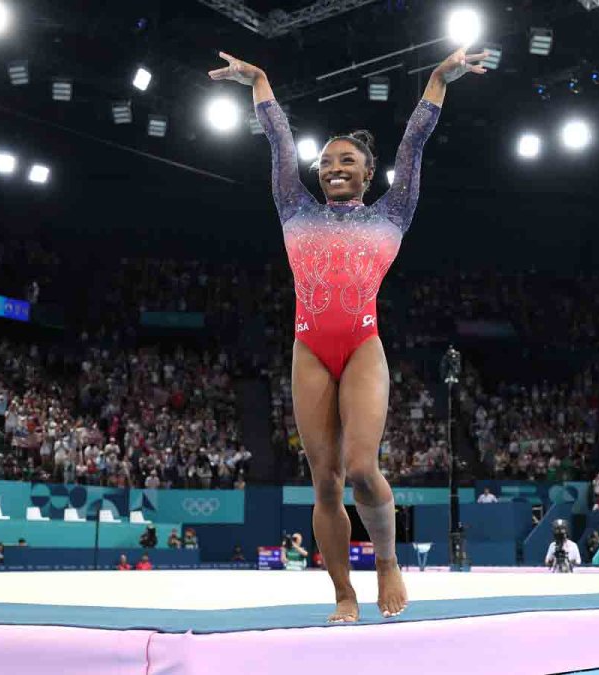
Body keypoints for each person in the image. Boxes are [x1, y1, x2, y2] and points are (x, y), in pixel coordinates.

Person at [209, 44, 489, 623]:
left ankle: (387, 563)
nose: (334, 167)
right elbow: (280, 145)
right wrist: (259, 81)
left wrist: (438, 77)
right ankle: (343, 592)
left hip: (362, 345)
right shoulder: (293, 206)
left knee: (363, 467)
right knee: (326, 483)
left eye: (348, 161)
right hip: (309, 347)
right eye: (328, 162)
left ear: (368, 171)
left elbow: (414, 145)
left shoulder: (394, 212)